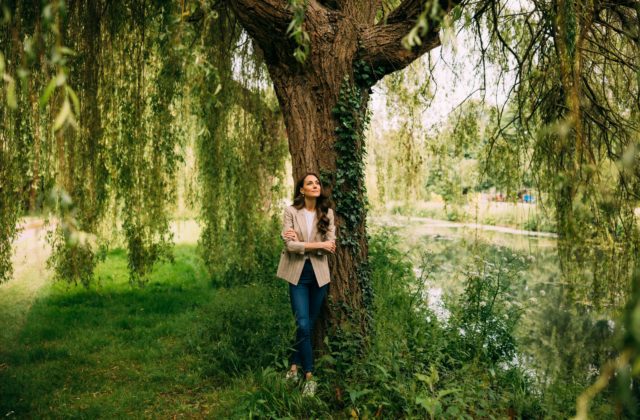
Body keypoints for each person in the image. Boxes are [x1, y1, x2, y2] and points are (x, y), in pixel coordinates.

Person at [276, 173, 336, 397]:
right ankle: (309, 376)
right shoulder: (291, 212)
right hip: (297, 274)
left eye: (317, 183)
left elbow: (332, 245)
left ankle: (293, 367)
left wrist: (305, 244)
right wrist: (318, 245)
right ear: (301, 189)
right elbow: (291, 247)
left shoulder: (327, 213)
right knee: (302, 324)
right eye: (310, 183)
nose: (315, 186)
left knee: (308, 325)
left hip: (319, 275)